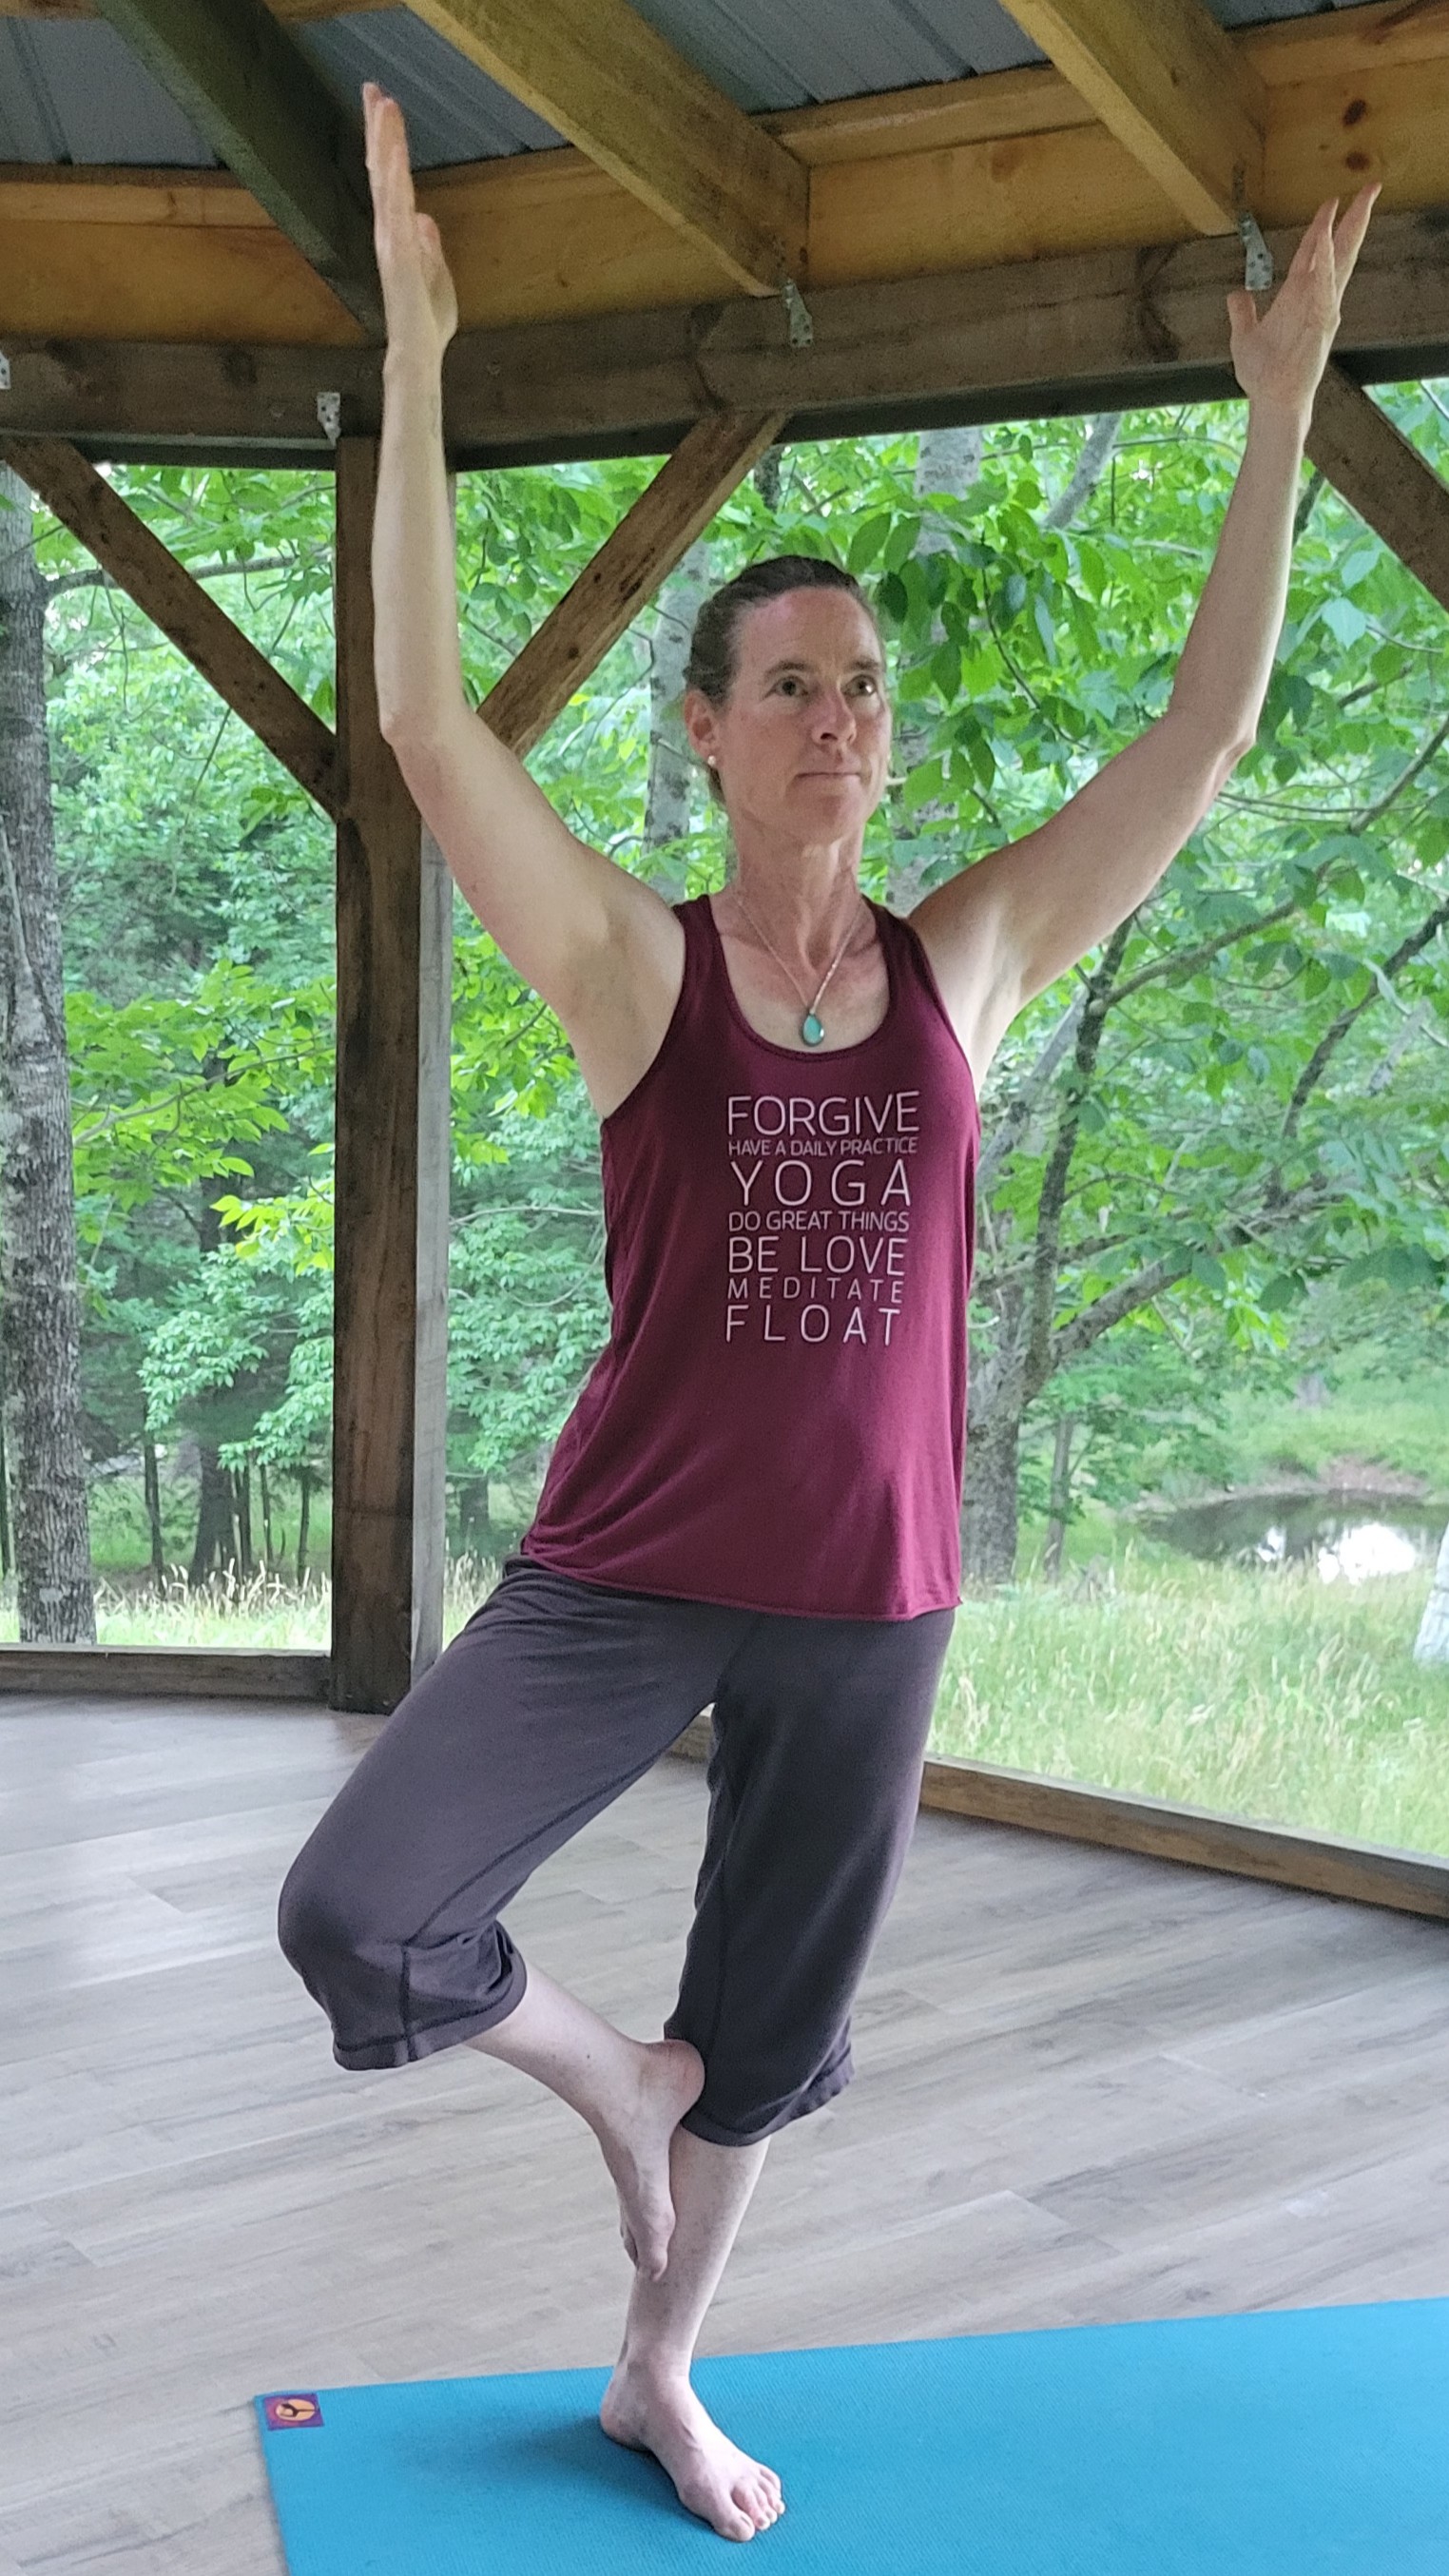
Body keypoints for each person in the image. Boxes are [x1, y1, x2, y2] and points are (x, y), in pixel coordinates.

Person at [278, 82, 1377, 2546]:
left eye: (860, 683)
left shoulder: (956, 963)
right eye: (788, 684)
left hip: (864, 1598)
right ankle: (602, 2083)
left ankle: (658, 2370)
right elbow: (437, 732)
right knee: (361, 1907)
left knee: (764, 2041)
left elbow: (1196, 741)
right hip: (619, 1569)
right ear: (701, 728)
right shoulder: (624, 963)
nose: (840, 718)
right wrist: (422, 353)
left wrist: (1277, 412)